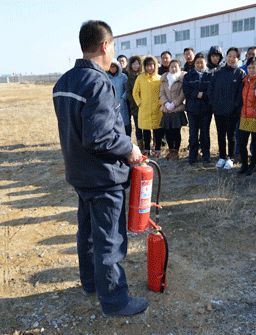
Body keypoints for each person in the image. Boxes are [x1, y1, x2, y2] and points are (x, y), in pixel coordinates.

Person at [53, 20, 147, 317]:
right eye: (114, 46)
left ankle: (91, 284)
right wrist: (130, 148)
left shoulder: (64, 82)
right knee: (110, 241)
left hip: (80, 174)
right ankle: (115, 301)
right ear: (105, 46)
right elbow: (101, 136)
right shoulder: (98, 82)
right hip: (103, 176)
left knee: (88, 234)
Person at [208, 47, 246, 170]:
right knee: (220, 134)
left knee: (231, 135)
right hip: (218, 110)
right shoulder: (218, 72)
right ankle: (222, 157)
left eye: (234, 57)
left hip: (232, 112)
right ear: (226, 57)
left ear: (238, 59)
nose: (231, 59)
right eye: (229, 56)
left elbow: (240, 95)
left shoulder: (240, 74)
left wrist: (235, 107)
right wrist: (214, 104)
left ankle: (231, 158)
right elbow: (211, 90)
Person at [182, 52, 213, 164]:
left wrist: (202, 95)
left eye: (202, 62)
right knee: (193, 134)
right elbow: (186, 91)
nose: (200, 65)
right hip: (192, 110)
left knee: (205, 133)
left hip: (206, 109)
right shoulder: (188, 76)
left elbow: (212, 91)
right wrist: (198, 94)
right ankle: (192, 156)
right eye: (197, 63)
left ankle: (206, 155)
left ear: (206, 63)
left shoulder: (210, 75)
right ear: (194, 63)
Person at [237, 57, 256, 176]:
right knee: (242, 142)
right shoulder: (244, 80)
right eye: (249, 67)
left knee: (255, 142)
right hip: (244, 115)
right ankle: (244, 165)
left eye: (254, 67)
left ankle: (253, 165)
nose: (251, 70)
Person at [133, 55, 163, 157]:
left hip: (157, 109)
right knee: (146, 130)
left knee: (157, 130)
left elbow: (162, 93)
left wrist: (159, 103)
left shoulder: (159, 78)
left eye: (151, 65)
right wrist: (140, 103)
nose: (149, 68)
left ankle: (158, 149)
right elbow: (135, 92)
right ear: (144, 67)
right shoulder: (140, 78)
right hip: (144, 108)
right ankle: (147, 149)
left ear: (155, 66)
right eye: (147, 66)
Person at [159, 60, 188, 160]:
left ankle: (176, 151)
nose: (174, 69)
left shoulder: (182, 79)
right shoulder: (164, 79)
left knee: (176, 132)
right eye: (172, 67)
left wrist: (174, 104)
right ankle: (170, 150)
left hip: (177, 110)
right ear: (169, 68)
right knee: (168, 132)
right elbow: (161, 93)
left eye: (176, 66)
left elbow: (182, 94)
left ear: (179, 68)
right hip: (167, 110)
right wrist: (166, 103)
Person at [107, 59, 130, 136]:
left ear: (117, 67)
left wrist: (124, 98)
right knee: (113, 123)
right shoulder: (106, 77)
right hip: (110, 102)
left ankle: (127, 139)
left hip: (122, 102)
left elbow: (128, 89)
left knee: (125, 123)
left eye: (114, 66)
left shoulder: (123, 76)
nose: (112, 68)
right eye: (111, 66)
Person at [126, 55, 144, 150]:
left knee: (145, 126)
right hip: (134, 105)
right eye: (133, 64)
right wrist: (132, 100)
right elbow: (128, 91)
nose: (135, 66)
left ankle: (147, 144)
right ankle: (140, 145)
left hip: (145, 104)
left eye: (137, 63)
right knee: (138, 127)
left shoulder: (143, 75)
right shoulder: (130, 77)